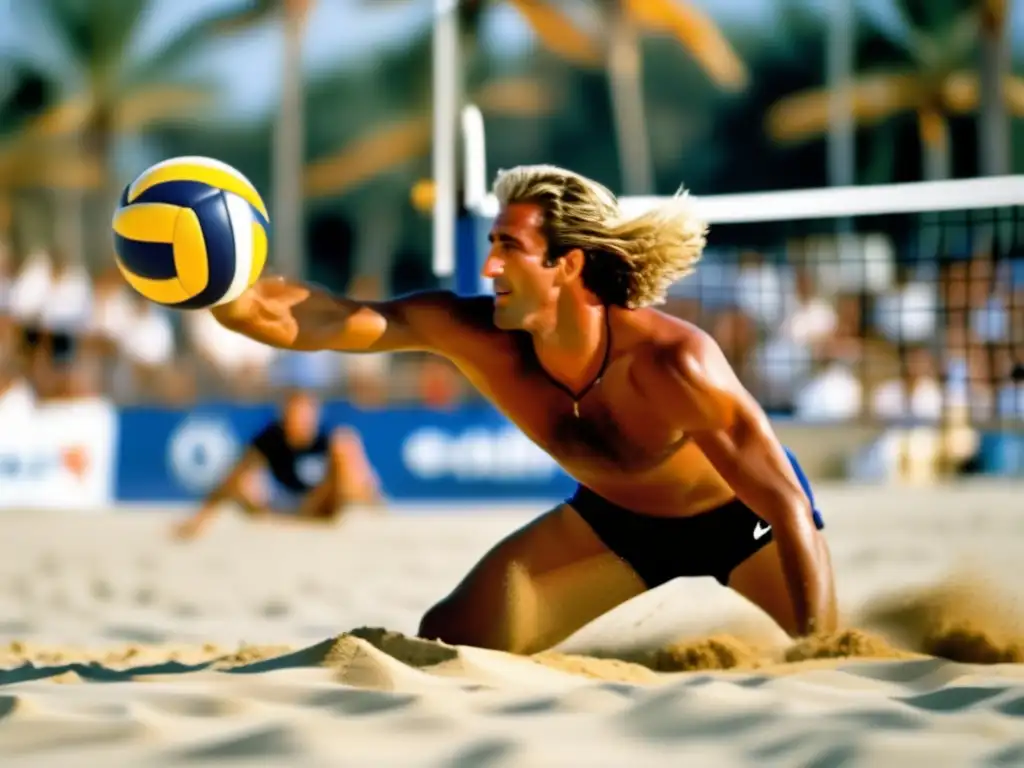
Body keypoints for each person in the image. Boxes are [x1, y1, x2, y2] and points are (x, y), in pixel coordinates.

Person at [210, 165, 838, 652]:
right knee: (445, 640)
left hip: (739, 520)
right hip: (616, 524)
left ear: (566, 264)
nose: (488, 266)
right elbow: (329, 318)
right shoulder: (476, 336)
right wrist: (231, 297)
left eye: (508, 246)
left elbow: (784, 503)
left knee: (828, 650)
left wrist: (822, 657)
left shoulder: (673, 362)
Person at [173, 389, 382, 540]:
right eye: (295, 415)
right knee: (239, 481)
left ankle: (372, 513)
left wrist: (374, 502)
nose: (300, 421)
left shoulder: (329, 439)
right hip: (280, 505)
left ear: (315, 415)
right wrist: (200, 519)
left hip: (317, 504)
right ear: (285, 416)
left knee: (346, 444)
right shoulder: (270, 437)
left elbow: (358, 479)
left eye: (305, 415)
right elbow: (233, 476)